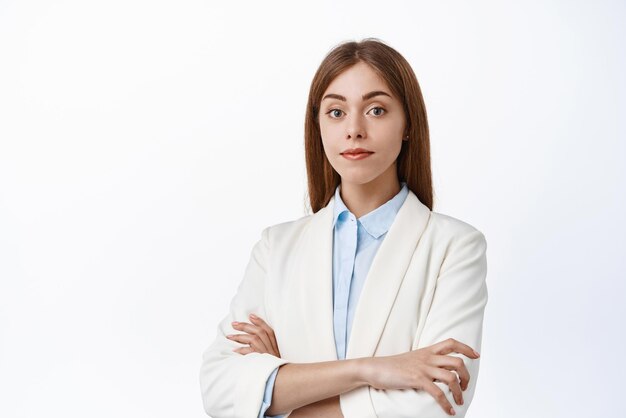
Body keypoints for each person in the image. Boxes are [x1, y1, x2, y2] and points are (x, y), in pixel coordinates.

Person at [199, 37, 488, 418]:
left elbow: (437, 403)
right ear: (317, 125)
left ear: (408, 126)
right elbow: (220, 390)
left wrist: (280, 389)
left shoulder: (455, 246)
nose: (354, 129)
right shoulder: (277, 247)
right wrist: (371, 370)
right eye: (336, 112)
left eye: (376, 110)